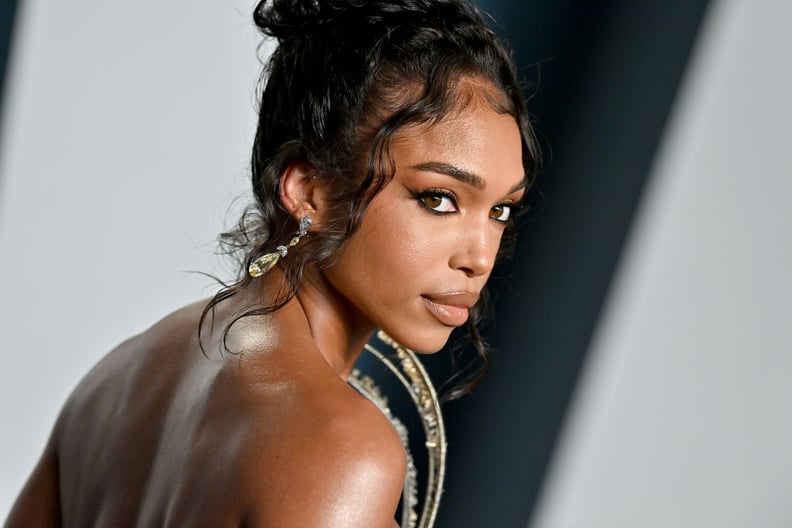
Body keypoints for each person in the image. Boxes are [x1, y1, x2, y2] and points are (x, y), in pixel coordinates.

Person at [5, 0, 539, 526]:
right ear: (308, 190)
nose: (481, 256)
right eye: (438, 198)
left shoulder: (122, 376)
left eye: (500, 209)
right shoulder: (338, 451)